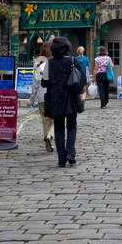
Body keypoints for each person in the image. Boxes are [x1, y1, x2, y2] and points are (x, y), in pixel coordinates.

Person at [43, 36, 85, 167]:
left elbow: (44, 83)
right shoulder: (73, 61)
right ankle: (70, 153)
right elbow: (81, 80)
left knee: (59, 128)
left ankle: (61, 159)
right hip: (71, 98)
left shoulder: (49, 63)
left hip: (55, 99)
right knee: (72, 126)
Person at [29, 39, 54, 152]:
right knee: (55, 119)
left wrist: (31, 99)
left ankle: (48, 143)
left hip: (41, 96)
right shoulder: (55, 62)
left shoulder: (38, 63)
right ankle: (49, 136)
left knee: (45, 119)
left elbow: (35, 84)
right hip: (53, 95)